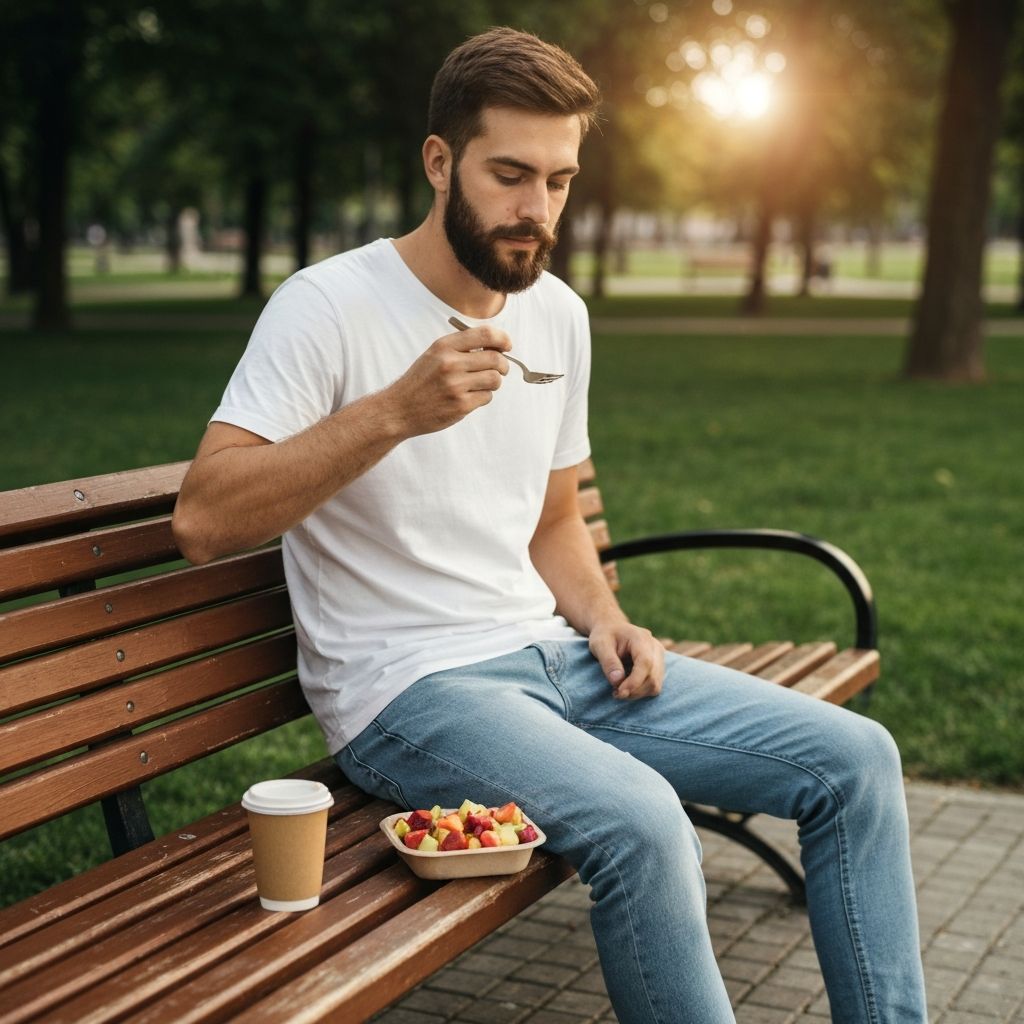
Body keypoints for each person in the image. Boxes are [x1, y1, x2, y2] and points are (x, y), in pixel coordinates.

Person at [172, 27, 928, 1024]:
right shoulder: (327, 307)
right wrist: (394, 412)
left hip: (556, 658)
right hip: (408, 690)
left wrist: (604, 615)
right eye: (510, 175)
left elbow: (553, 516)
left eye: (560, 181)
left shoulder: (557, 314)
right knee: (645, 824)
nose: (537, 211)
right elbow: (204, 517)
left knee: (856, 761)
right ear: (439, 162)